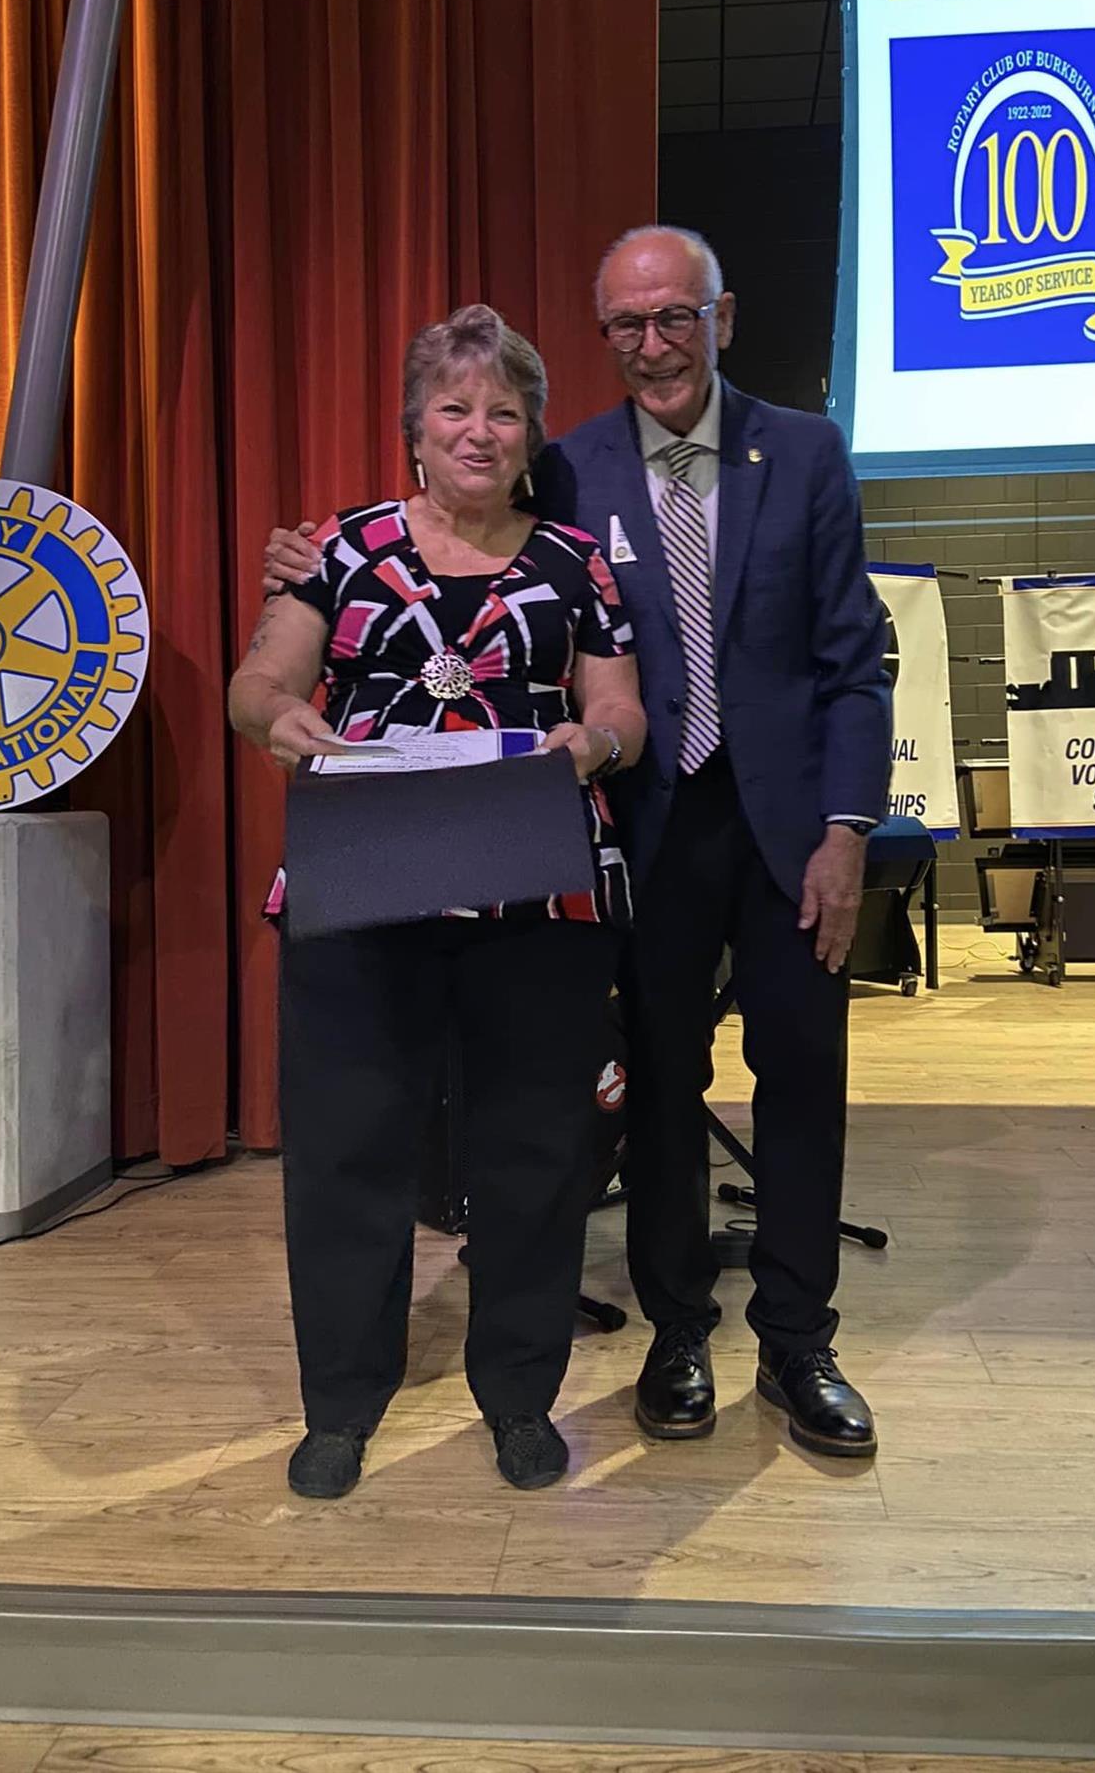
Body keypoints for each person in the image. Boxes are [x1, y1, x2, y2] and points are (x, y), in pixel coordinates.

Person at [264, 228, 889, 1460]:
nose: (654, 345)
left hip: (786, 830)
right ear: (605, 335)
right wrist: (304, 563)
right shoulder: (569, 465)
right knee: (657, 1086)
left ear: (722, 317)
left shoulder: (807, 451)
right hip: (640, 827)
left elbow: (854, 661)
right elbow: (452, 537)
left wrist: (847, 829)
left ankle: (798, 1342)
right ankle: (677, 1334)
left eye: (676, 317)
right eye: (627, 325)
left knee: (804, 1079)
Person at [231, 303, 646, 1502]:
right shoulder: (341, 549)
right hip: (367, 867)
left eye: (503, 412)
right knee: (349, 1148)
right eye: (454, 408)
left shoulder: (577, 562)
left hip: (537, 880)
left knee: (534, 1151)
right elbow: (260, 681)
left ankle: (518, 1395)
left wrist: (594, 744)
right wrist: (279, 717)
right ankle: (341, 1405)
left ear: (530, 437)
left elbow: (620, 707)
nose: (478, 430)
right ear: (415, 428)